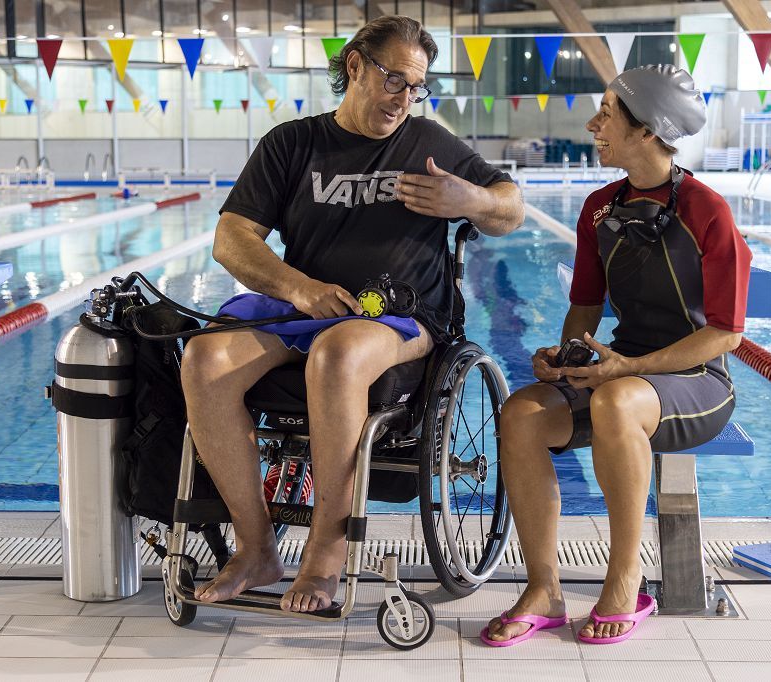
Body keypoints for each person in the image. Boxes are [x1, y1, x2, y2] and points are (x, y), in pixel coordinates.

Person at [181, 15, 523, 614]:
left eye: (416, 87)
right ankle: (256, 547)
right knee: (204, 357)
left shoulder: (428, 144)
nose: (405, 98)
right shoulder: (292, 144)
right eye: (394, 80)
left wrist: (468, 199)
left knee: (337, 354)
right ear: (356, 66)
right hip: (307, 307)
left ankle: (325, 551)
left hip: (403, 319)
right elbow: (232, 239)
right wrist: (298, 287)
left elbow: (511, 207)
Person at [481, 65, 752, 646]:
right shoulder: (599, 209)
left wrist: (628, 367)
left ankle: (625, 578)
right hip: (619, 373)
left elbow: (725, 334)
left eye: (607, 113)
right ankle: (544, 588)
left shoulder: (706, 211)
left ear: (648, 129)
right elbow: (585, 305)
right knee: (522, 414)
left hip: (698, 379)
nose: (593, 124)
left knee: (618, 400)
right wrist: (565, 354)